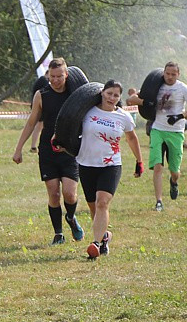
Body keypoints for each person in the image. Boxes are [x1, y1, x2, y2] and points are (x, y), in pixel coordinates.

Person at [56, 80, 143, 259]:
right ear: (102, 92)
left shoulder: (123, 116)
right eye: (109, 93)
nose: (112, 98)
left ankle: (95, 243)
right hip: (86, 164)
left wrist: (139, 161)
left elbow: (132, 138)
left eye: (116, 95)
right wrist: (60, 140)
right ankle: (104, 237)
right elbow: (69, 124)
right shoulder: (88, 111)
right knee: (94, 208)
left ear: (119, 98)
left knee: (102, 202)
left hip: (111, 165)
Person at [12, 58, 85, 245]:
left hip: (69, 150)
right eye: (52, 76)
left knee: (70, 193)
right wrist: (19, 149)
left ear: (66, 74)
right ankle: (58, 234)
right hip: (47, 151)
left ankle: (70, 217)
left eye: (59, 76)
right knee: (54, 194)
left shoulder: (75, 93)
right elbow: (31, 122)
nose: (55, 80)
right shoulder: (41, 95)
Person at [127, 61, 187, 211]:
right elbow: (131, 99)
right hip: (158, 130)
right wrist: (145, 102)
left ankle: (174, 182)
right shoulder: (156, 86)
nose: (170, 77)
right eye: (167, 73)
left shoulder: (183, 88)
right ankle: (159, 201)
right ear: (163, 73)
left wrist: (180, 116)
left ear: (178, 74)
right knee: (157, 167)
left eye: (173, 74)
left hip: (176, 132)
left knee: (175, 171)